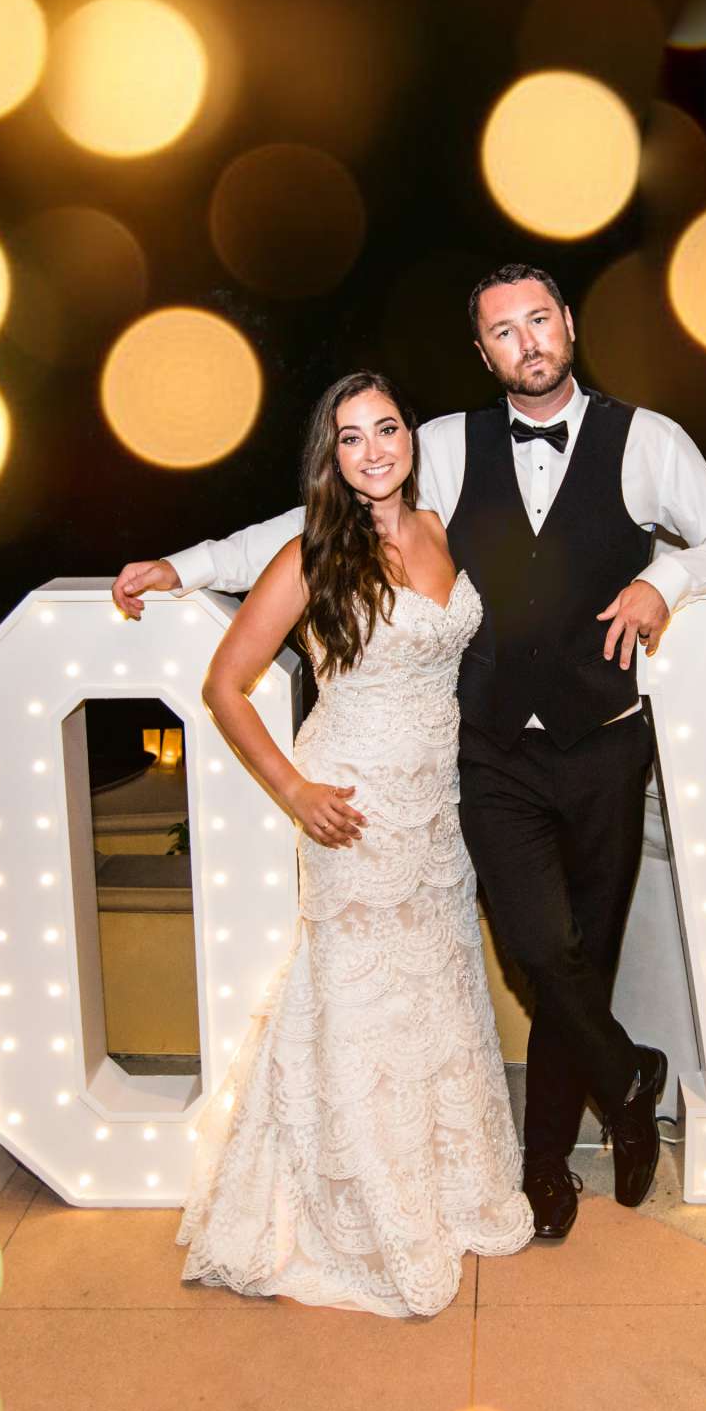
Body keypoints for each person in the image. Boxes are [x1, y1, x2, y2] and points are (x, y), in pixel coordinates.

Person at [125, 263, 706, 1242]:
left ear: (568, 325)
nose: (527, 343)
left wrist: (669, 577)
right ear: (483, 351)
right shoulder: (443, 447)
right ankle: (631, 1074)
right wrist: (190, 563)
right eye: (503, 332)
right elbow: (312, 523)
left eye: (539, 321)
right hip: (491, 757)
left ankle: (546, 1165)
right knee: (539, 946)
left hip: (605, 746)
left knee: (578, 964)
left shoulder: (648, 442)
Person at [175, 370, 534, 1317]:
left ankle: (447, 1188)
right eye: (351, 437)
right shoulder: (311, 553)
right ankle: (364, 1211)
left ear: (410, 436)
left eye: (387, 428)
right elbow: (225, 685)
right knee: (360, 1006)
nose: (374, 449)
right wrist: (295, 791)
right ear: (329, 456)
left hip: (433, 812)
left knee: (435, 993)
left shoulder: (436, 530)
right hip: (353, 809)